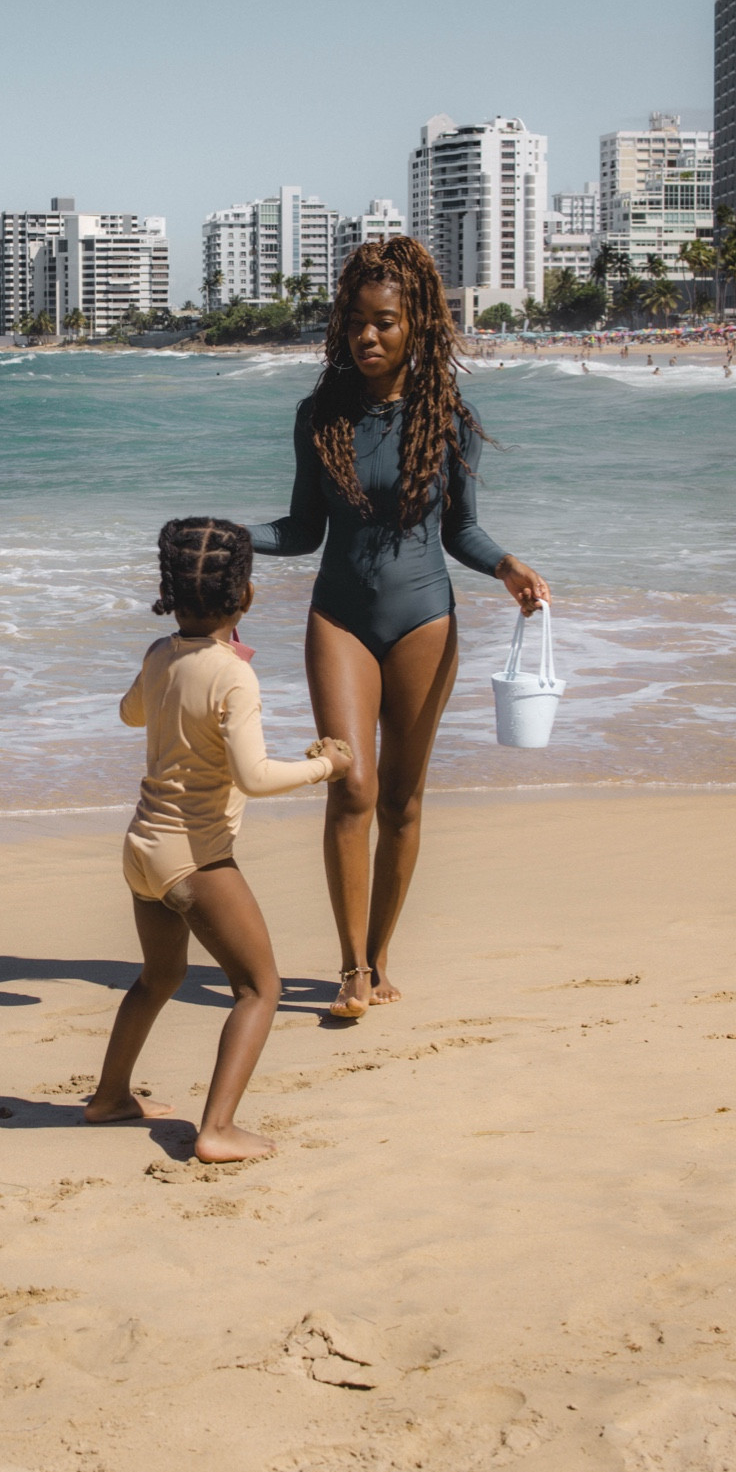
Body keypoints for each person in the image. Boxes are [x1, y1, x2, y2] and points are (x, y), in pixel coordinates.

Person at [248, 238, 549, 1019]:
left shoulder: (446, 418)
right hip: (338, 616)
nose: (366, 336)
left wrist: (506, 566)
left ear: (415, 323)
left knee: (402, 800)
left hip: (424, 619)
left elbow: (460, 531)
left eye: (382, 322)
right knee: (350, 784)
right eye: (355, 322)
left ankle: (381, 954)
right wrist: (226, 534)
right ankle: (350, 967)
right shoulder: (320, 416)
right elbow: (303, 530)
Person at [86, 518, 351, 1160]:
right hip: (195, 858)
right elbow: (254, 778)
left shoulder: (160, 653)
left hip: (143, 849)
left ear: (169, 594)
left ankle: (110, 1097)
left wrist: (169, 683)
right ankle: (217, 1130)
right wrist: (326, 766)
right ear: (247, 596)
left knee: (159, 976)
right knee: (260, 988)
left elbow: (130, 713)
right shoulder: (234, 675)